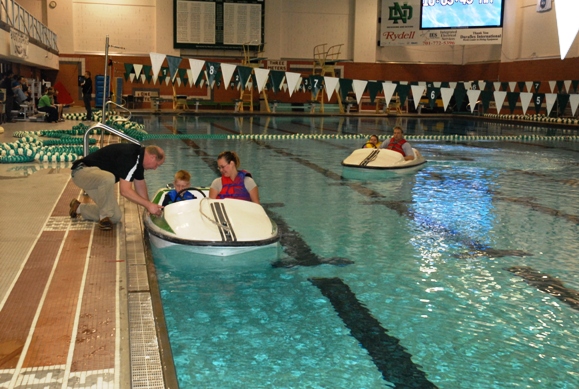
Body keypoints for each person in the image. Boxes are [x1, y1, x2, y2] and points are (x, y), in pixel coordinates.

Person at [69, 144, 165, 230]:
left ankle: (78, 208)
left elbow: (140, 185)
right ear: (153, 157)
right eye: (157, 165)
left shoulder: (138, 161)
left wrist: (148, 206)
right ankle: (104, 216)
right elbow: (125, 191)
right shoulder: (131, 156)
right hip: (81, 172)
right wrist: (149, 205)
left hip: (96, 182)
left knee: (114, 217)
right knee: (108, 178)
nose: (155, 168)